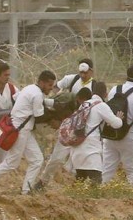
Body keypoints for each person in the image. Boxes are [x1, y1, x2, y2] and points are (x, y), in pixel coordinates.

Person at [0, 70, 56, 195]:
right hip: (20, 131)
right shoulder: (37, 95)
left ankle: (26, 190)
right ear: (42, 83)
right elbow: (40, 116)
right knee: (11, 163)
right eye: (49, 85)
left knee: (37, 159)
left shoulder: (29, 88)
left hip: (23, 129)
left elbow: (16, 98)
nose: (51, 88)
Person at [35, 58, 97, 190]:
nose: (83, 75)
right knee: (57, 158)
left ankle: (78, 187)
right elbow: (56, 89)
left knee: (80, 160)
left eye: (85, 72)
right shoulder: (72, 79)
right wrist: (60, 100)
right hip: (68, 127)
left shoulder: (94, 87)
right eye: (81, 72)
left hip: (84, 129)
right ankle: (43, 182)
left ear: (91, 71)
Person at [69, 84, 123, 185]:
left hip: (78, 146)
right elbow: (116, 124)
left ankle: (74, 199)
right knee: (96, 179)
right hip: (91, 149)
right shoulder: (101, 105)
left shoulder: (84, 104)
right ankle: (95, 199)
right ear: (105, 94)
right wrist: (119, 118)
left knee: (80, 178)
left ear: (93, 93)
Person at [102, 65, 133, 185]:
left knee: (107, 169)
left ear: (126, 75)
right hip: (130, 137)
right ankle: (132, 198)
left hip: (111, 134)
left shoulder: (115, 89)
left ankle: (101, 195)